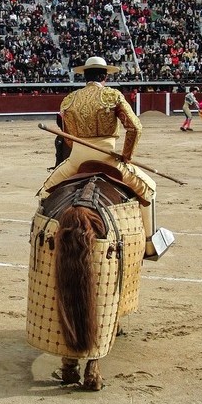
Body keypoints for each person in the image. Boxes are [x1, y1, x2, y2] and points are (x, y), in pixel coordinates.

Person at [39, 56, 159, 256]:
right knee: (149, 189)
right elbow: (135, 128)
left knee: (44, 192)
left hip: (77, 160)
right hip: (107, 158)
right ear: (104, 76)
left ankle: (43, 243)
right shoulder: (113, 96)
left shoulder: (69, 99)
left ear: (84, 76)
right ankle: (149, 245)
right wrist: (126, 156)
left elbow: (68, 138)